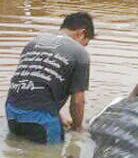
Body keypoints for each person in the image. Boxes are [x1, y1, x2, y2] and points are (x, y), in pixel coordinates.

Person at [5, 12, 94, 144]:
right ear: (81, 33)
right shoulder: (79, 53)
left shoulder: (34, 42)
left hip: (11, 112)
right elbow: (78, 101)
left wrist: (58, 116)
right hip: (41, 121)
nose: (83, 47)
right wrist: (77, 127)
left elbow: (37, 84)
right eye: (84, 43)